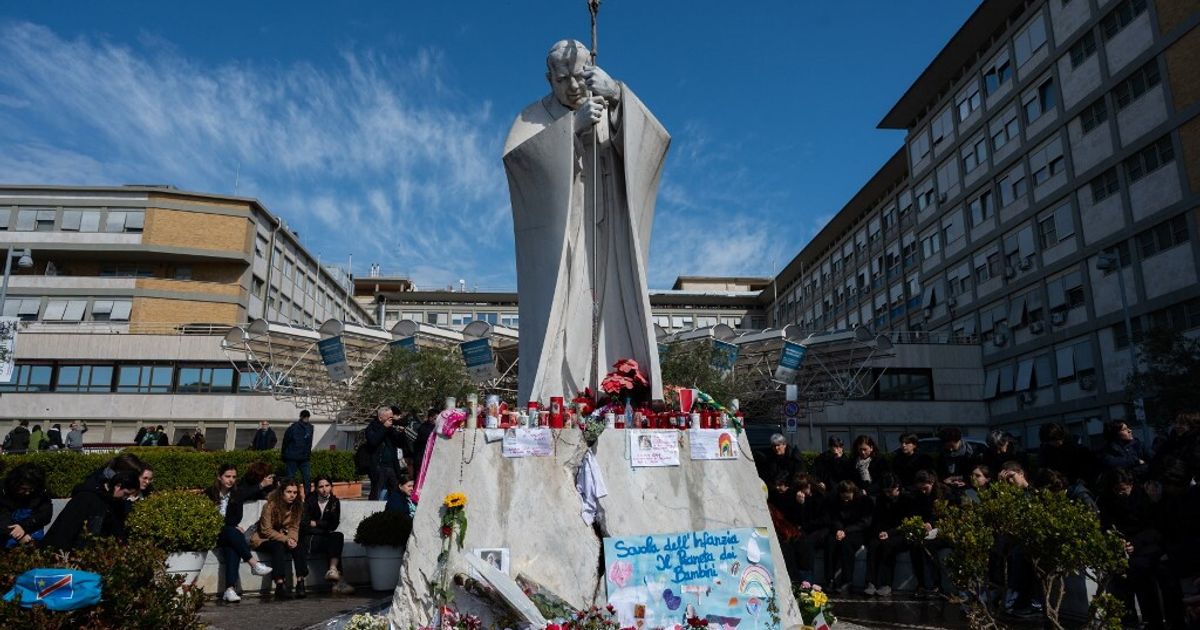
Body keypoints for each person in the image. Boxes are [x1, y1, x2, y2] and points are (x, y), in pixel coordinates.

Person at [503, 39, 669, 404]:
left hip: (610, 233)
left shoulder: (606, 98)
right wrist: (570, 130)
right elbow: (519, 162)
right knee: (565, 315)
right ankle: (558, 396)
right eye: (562, 79)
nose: (574, 86)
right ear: (549, 78)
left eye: (579, 75)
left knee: (614, 307)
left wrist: (619, 99)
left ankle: (620, 389)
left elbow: (653, 145)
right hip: (565, 240)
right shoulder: (532, 117)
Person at [204, 464, 273, 603]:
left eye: (234, 477)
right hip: (212, 533)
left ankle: (229, 589)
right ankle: (253, 564)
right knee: (233, 533)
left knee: (232, 545)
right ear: (219, 477)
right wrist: (230, 526)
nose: (231, 480)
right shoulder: (209, 493)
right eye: (227, 476)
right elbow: (206, 518)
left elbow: (236, 518)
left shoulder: (236, 494)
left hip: (227, 534)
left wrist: (231, 525)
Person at [42, 470, 140, 549]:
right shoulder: (87, 497)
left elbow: (117, 528)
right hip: (73, 549)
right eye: (126, 494)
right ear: (118, 486)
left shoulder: (115, 502)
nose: (125, 498)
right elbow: (66, 527)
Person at [251, 479, 308, 600]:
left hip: (284, 537)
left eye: (295, 492)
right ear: (281, 492)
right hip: (263, 539)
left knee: (299, 544)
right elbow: (266, 530)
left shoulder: (297, 506)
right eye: (288, 492)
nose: (292, 495)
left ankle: (300, 582)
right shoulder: (270, 506)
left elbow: (294, 527)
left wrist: (292, 539)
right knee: (278, 546)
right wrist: (286, 539)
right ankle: (280, 584)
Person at [302, 476, 355, 594]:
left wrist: (316, 523)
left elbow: (334, 525)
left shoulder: (334, 502)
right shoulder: (309, 500)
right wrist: (323, 527)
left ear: (331, 486)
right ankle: (339, 583)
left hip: (324, 536)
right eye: (321, 487)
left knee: (337, 536)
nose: (324, 489)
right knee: (333, 542)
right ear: (316, 488)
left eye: (327, 486)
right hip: (310, 539)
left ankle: (332, 569)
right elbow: (305, 524)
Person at [822, 480, 872, 594]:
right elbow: (834, 518)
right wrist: (839, 529)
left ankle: (847, 580)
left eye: (848, 496)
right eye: (843, 496)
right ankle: (829, 579)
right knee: (830, 542)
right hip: (840, 530)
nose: (845, 499)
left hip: (856, 531)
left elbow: (864, 522)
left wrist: (845, 531)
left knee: (847, 545)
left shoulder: (863, 501)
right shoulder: (835, 501)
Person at [864, 474, 906, 597]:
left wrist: (890, 533)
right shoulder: (881, 500)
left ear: (897, 488)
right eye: (885, 491)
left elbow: (905, 523)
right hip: (883, 531)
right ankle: (870, 581)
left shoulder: (905, 500)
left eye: (890, 491)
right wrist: (881, 532)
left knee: (888, 547)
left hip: (898, 533)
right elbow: (877, 519)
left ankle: (886, 583)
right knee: (873, 545)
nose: (888, 494)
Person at [0, 464, 53, 548]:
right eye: (24, 489)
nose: (28, 493)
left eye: (31, 489)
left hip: (31, 528)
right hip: (8, 531)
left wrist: (24, 526)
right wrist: (19, 535)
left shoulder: (41, 492)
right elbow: (2, 517)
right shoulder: (3, 490)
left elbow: (45, 514)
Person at [365, 406, 404, 500]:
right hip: (379, 466)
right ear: (380, 418)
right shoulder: (372, 427)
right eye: (389, 417)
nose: (391, 419)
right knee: (377, 493)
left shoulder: (391, 428)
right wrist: (384, 427)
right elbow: (373, 442)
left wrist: (401, 433)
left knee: (395, 492)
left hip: (392, 466)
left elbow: (399, 443)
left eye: (392, 417)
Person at [282, 410, 314, 494]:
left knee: (307, 478)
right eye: (305, 417)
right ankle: (288, 495)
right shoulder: (293, 427)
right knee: (290, 479)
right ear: (301, 417)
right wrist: (284, 454)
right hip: (292, 456)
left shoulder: (310, 428)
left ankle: (308, 497)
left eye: (307, 417)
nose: (306, 418)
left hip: (304, 457)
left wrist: (308, 454)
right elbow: (286, 441)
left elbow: (309, 443)